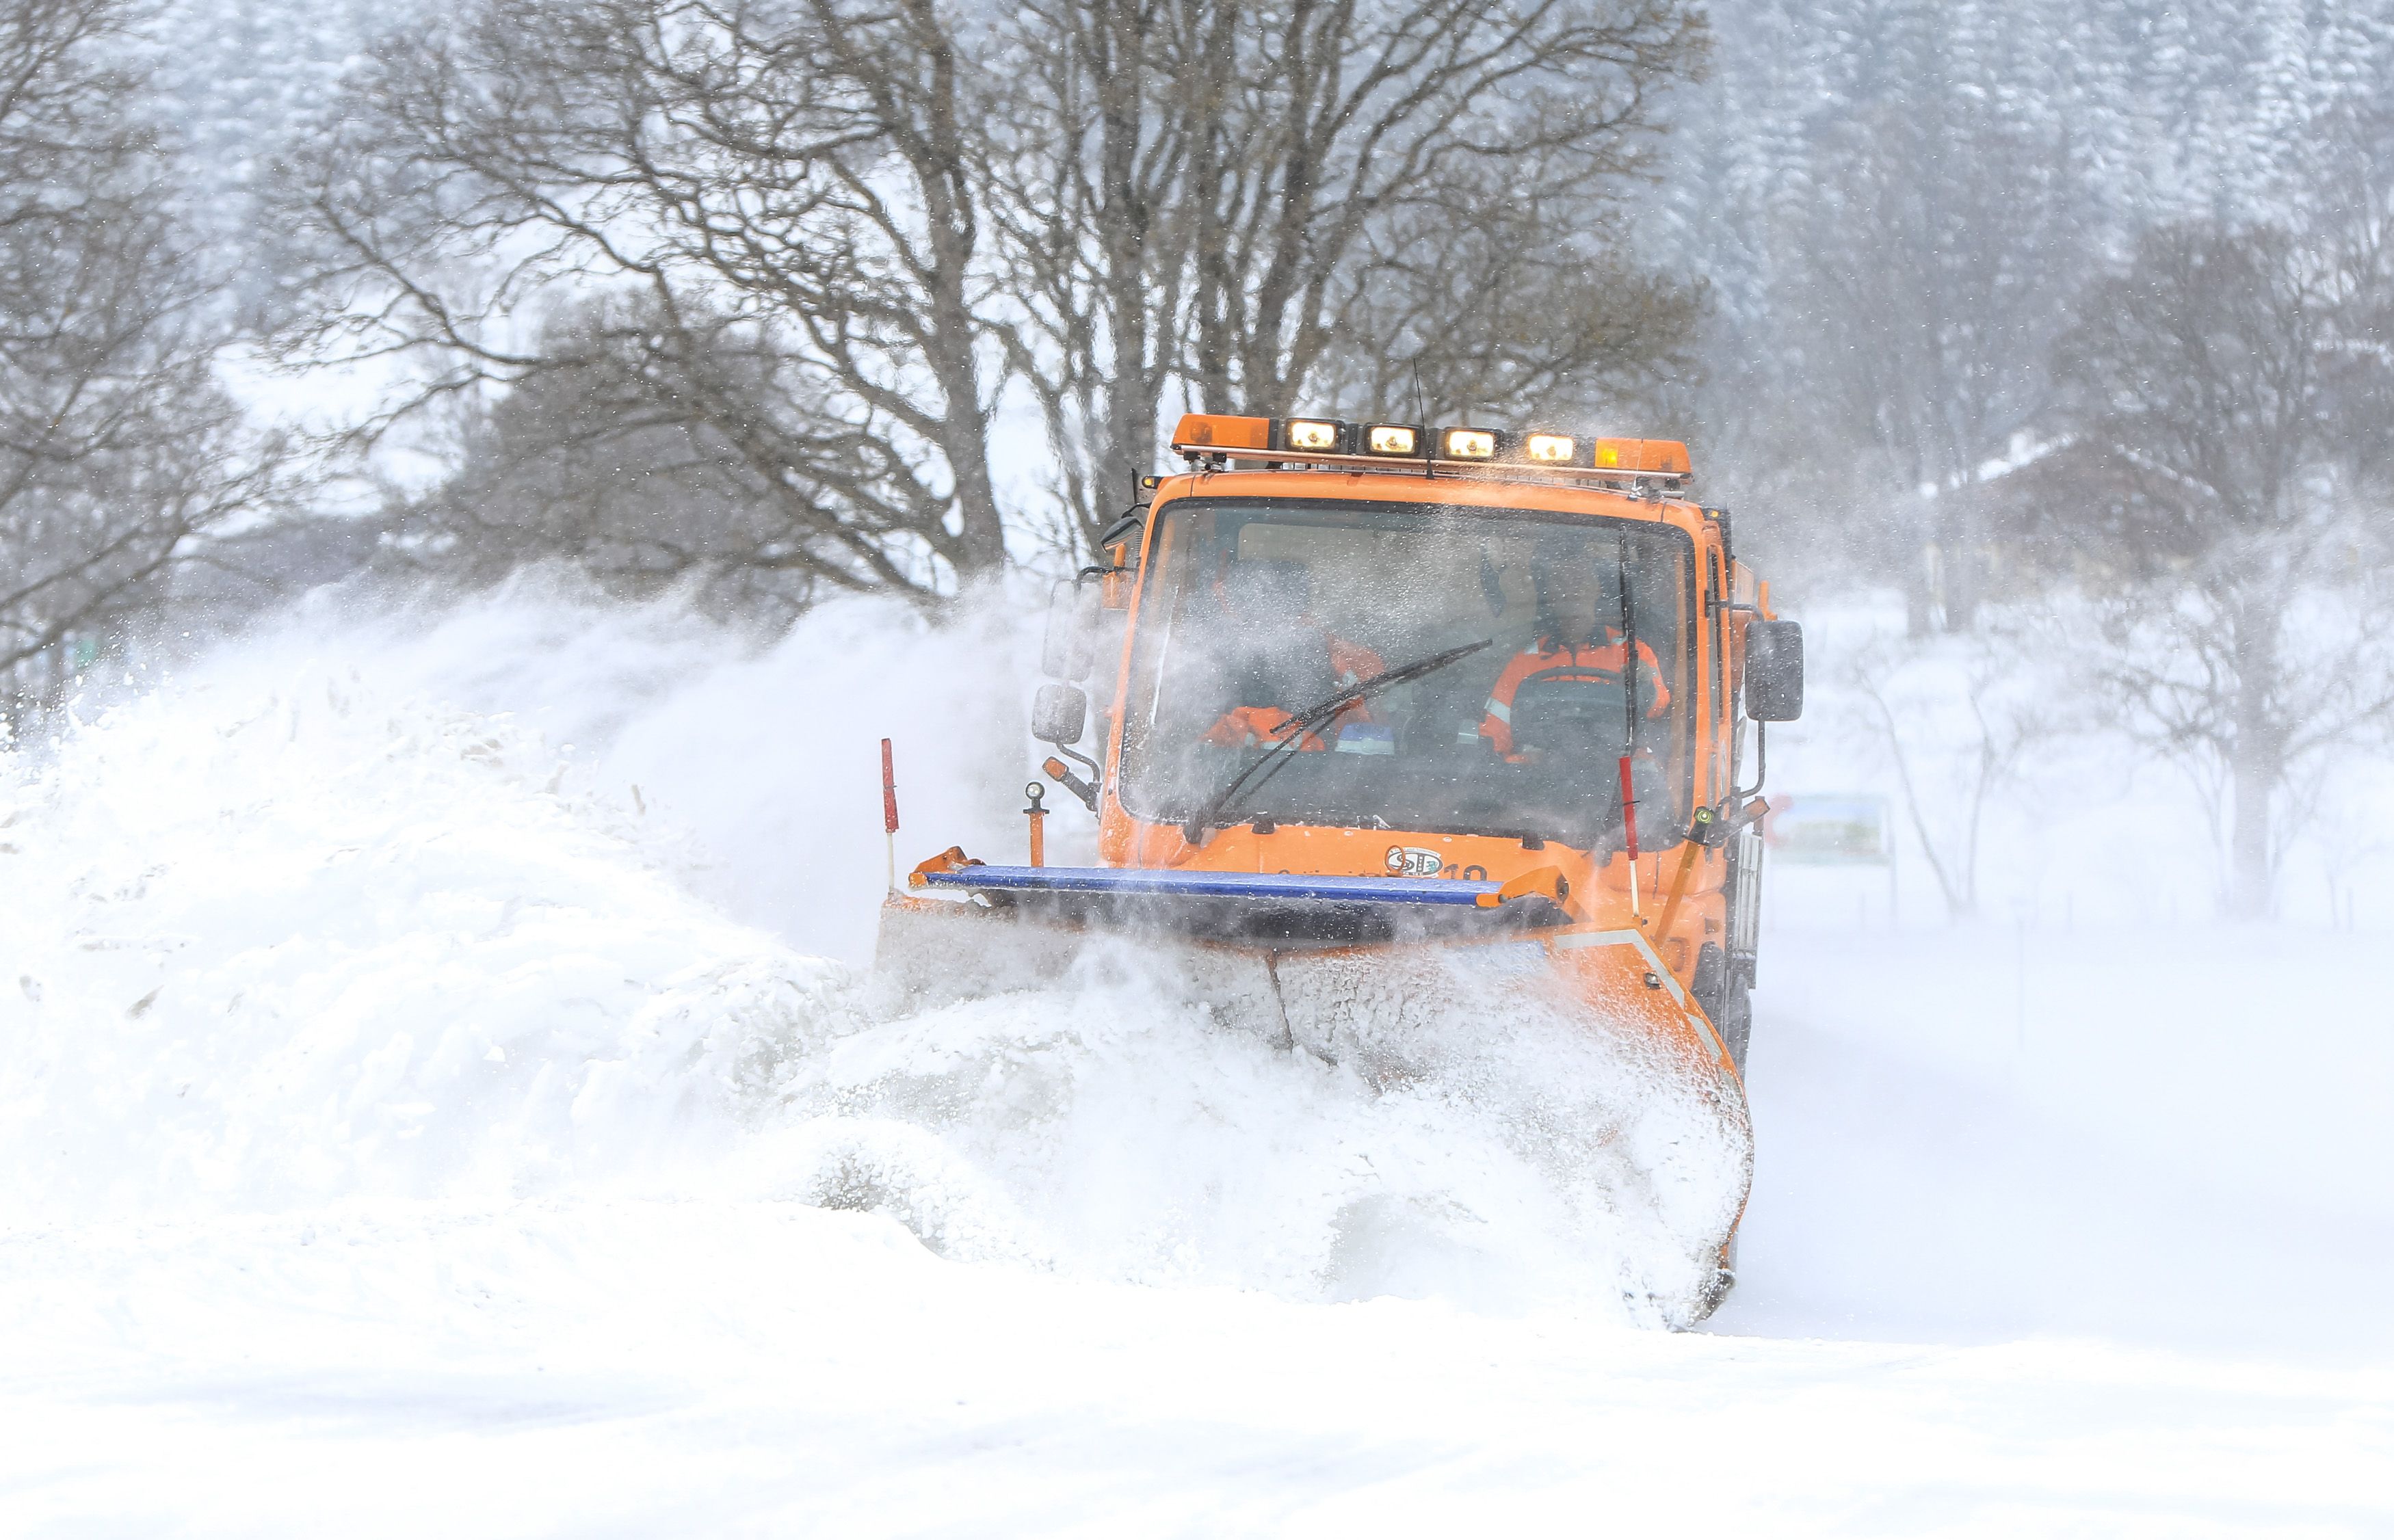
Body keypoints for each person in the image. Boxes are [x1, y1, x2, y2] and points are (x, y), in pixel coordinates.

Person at [1473, 550, 1668, 760]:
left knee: (1646, 773)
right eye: (1559, 583)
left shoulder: (1631, 652)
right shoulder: (1526, 661)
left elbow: (1658, 708)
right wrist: (1496, 764)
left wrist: (1645, 683)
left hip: (1617, 770)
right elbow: (1496, 731)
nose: (1570, 591)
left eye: (1578, 580)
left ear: (1596, 588)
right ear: (1550, 594)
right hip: (1545, 772)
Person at [1198, 558, 1384, 751]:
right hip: (1268, 774)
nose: (1216, 590)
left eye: (1223, 588)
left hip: (1324, 771)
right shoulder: (1206, 662)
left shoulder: (1346, 660)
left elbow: (1377, 736)